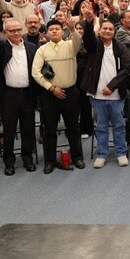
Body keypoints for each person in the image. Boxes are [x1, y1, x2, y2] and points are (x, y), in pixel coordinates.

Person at [0, 3, 38, 175]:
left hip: (27, 94)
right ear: (5, 32)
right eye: (11, 31)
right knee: (9, 130)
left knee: (28, 128)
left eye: (17, 30)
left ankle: (28, 158)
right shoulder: (1, 47)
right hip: (9, 95)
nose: (15, 33)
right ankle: (9, 161)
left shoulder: (31, 47)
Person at [31, 18, 85, 174]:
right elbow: (35, 72)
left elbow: (78, 41)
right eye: (51, 29)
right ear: (47, 33)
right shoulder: (42, 50)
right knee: (49, 130)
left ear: (62, 31)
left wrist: (73, 28)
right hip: (50, 94)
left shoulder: (70, 46)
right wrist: (50, 87)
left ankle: (77, 157)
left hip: (70, 92)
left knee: (73, 127)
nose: (54, 31)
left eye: (57, 28)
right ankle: (50, 160)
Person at [80, 13, 130, 169]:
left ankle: (121, 153)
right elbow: (87, 38)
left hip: (116, 94)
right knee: (101, 126)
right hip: (97, 95)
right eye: (105, 29)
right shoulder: (94, 45)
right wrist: (88, 22)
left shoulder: (120, 47)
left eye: (110, 29)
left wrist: (111, 86)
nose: (108, 31)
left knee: (119, 125)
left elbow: (126, 68)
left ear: (114, 32)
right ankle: (101, 154)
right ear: (100, 30)